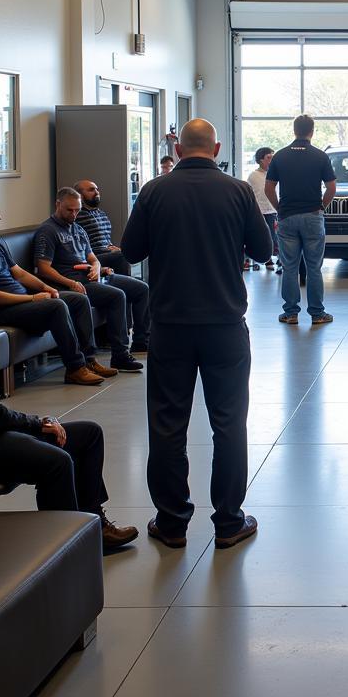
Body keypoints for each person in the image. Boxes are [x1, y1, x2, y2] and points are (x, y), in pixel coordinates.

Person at [121, 119, 272, 551]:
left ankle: (171, 523)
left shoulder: (154, 190)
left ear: (179, 148)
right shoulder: (238, 191)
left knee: (167, 425)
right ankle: (228, 522)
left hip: (169, 327)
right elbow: (264, 251)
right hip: (225, 326)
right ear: (217, 146)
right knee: (228, 423)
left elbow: (130, 251)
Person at [0, 278, 137, 551]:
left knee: (88, 434)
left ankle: (94, 526)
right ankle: (66, 550)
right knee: (57, 461)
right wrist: (37, 423)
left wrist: (33, 426)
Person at [0, 195, 116, 387]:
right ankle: (75, 368)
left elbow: (20, 274)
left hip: (20, 300)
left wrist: (46, 287)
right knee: (56, 306)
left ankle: (89, 360)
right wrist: (33, 298)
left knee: (78, 299)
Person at [33, 188, 148, 372]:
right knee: (117, 296)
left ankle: (142, 340)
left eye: (77, 210)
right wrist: (70, 283)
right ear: (58, 205)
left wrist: (96, 268)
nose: (74, 214)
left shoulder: (78, 228)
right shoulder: (48, 231)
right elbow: (43, 269)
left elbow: (92, 258)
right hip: (73, 282)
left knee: (141, 289)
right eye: (69, 210)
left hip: (92, 277)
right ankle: (120, 354)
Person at [264, 115, 337, 326]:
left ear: (294, 130)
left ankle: (290, 313)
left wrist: (280, 209)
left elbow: (269, 187)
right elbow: (331, 187)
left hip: (287, 217)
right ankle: (317, 313)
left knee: (289, 267)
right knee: (314, 267)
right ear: (312, 131)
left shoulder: (280, 156)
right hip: (313, 216)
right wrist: (321, 206)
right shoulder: (320, 156)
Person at [74, 180, 132, 277]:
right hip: (92, 256)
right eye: (91, 190)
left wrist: (113, 248)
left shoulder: (101, 213)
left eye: (97, 189)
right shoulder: (77, 215)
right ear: (80, 195)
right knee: (121, 256)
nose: (97, 192)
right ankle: (127, 286)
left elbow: (104, 240)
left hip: (106, 253)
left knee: (125, 251)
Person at [246, 146, 279, 273]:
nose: (271, 160)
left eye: (273, 157)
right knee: (261, 237)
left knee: (274, 237)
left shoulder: (275, 175)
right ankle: (265, 259)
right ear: (261, 160)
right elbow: (250, 193)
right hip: (258, 211)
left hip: (272, 210)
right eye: (269, 158)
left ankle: (275, 259)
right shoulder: (253, 176)